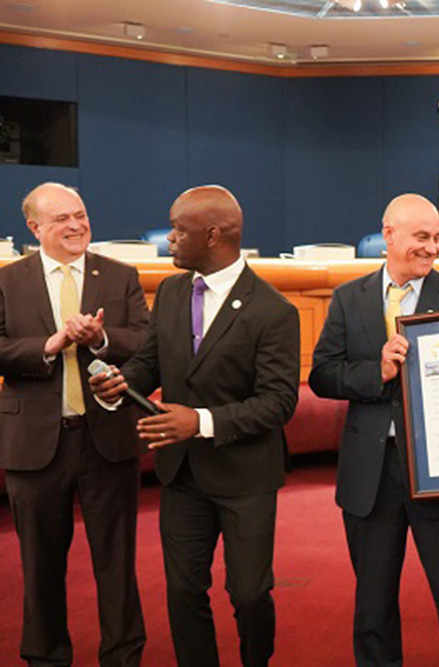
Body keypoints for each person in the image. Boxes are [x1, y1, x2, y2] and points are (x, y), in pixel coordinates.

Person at [90, 185, 300, 665]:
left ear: (211, 236)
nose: (168, 239)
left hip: (245, 478)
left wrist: (200, 422)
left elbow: (279, 402)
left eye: (178, 230)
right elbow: (149, 363)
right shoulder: (169, 291)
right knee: (184, 591)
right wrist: (121, 384)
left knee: (249, 595)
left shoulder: (274, 311)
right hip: (181, 476)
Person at [309, 193, 439, 667]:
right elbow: (323, 376)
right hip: (369, 477)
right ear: (388, 234)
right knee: (372, 607)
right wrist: (378, 372)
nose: (433, 247)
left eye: (437, 238)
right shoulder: (348, 299)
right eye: (422, 237)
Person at [0, 182, 149, 666]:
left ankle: (123, 655)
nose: (75, 225)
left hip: (106, 438)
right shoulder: (8, 280)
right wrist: (51, 343)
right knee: (40, 565)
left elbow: (146, 343)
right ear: (34, 227)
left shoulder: (121, 275)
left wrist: (101, 337)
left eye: (80, 214)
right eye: (61, 218)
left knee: (117, 561)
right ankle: (45, 657)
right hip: (34, 444)